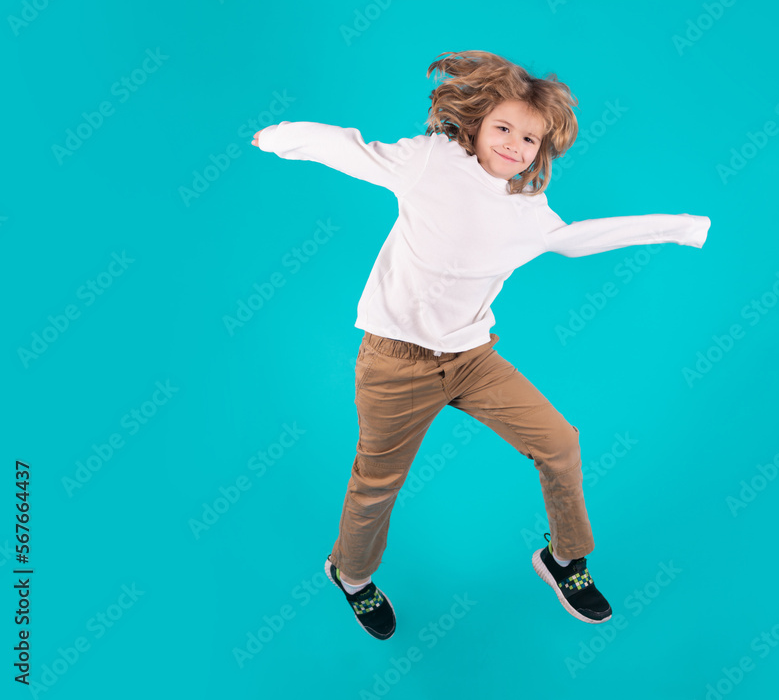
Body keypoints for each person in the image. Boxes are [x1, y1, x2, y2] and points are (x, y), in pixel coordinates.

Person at [252, 50, 711, 640]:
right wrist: (280, 136)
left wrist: (677, 228)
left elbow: (573, 241)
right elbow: (353, 151)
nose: (515, 146)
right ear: (476, 124)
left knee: (560, 444)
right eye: (504, 129)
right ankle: (352, 575)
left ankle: (565, 559)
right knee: (376, 484)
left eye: (529, 139)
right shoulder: (430, 162)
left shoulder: (529, 210)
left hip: (472, 360)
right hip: (396, 362)